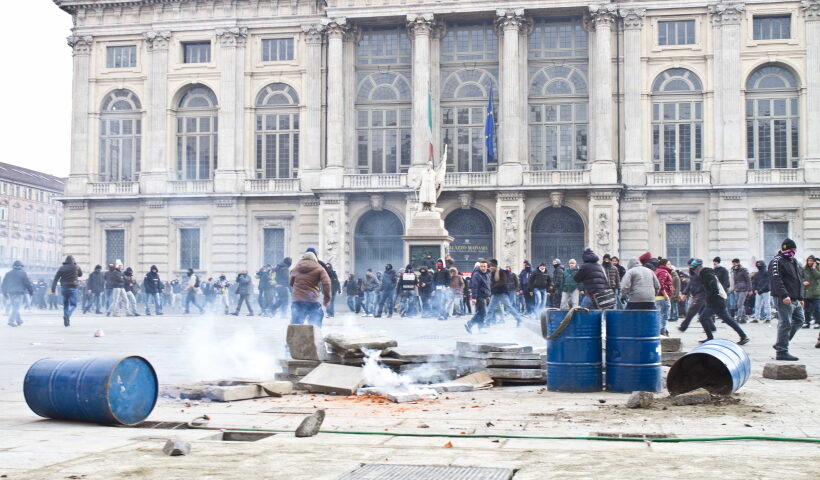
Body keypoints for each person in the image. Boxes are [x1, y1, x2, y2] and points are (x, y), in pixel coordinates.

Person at [693, 258, 750, 345]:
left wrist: (707, 297)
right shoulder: (705, 274)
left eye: (694, 269)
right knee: (728, 320)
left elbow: (714, 289)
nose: (694, 272)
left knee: (703, 318)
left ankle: (710, 338)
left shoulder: (707, 275)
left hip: (715, 302)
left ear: (698, 268)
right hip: (716, 301)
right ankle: (743, 336)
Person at [769, 239, 804, 360]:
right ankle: (782, 351)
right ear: (784, 250)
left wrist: (800, 297)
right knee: (786, 323)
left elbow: (798, 279)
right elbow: (776, 279)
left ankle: (780, 343)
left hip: (795, 297)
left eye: (793, 250)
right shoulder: (776, 261)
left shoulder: (793, 261)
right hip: (783, 297)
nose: (792, 252)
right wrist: (784, 295)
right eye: (790, 250)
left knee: (799, 320)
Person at [289, 251, 331, 326]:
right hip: (312, 300)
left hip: (297, 300)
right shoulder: (319, 268)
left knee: (296, 325)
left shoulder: (297, 267)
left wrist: (298, 290)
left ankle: (296, 337)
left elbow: (291, 282)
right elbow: (327, 283)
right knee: (315, 323)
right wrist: (327, 299)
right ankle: (314, 336)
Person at [486, 259, 523, 327]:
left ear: (495, 266)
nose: (491, 267)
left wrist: (493, 286)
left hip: (502, 293)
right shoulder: (491, 273)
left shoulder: (501, 272)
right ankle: (487, 323)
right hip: (495, 294)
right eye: (490, 266)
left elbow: (502, 282)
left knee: (509, 307)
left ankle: (519, 320)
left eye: (492, 266)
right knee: (490, 308)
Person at [50, 255, 83, 327]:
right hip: (73, 287)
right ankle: (67, 315)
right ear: (73, 261)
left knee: (66, 304)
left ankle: (66, 322)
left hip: (64, 288)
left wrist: (53, 289)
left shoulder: (61, 268)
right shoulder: (76, 267)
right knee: (73, 304)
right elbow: (80, 274)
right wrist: (75, 265)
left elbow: (56, 279)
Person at [3, 260, 34, 327]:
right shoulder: (23, 273)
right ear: (20, 266)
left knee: (15, 306)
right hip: (19, 292)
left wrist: (4, 293)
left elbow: (4, 284)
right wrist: (31, 291)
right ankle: (11, 321)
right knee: (16, 307)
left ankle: (19, 320)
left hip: (11, 292)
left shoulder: (8, 273)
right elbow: (27, 283)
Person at [465, 260, 491, 333]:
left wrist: (488, 295)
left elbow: (487, 286)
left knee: (481, 312)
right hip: (479, 296)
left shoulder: (487, 274)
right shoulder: (477, 274)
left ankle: (479, 327)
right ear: (479, 267)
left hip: (484, 295)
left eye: (484, 266)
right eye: (481, 266)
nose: (483, 268)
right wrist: (474, 298)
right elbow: (475, 287)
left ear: (487, 267)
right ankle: (470, 324)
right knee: (483, 312)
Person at [655, 258, 674, 335]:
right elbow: (660, 284)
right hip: (663, 297)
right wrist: (665, 294)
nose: (670, 265)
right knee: (664, 315)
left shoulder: (657, 271)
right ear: (664, 265)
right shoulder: (664, 272)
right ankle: (662, 331)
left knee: (660, 315)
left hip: (657, 297)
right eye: (669, 264)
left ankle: (664, 330)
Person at [731, 259, 752, 324]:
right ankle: (743, 318)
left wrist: (750, 289)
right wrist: (734, 288)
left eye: (735, 263)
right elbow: (734, 280)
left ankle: (738, 317)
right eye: (733, 264)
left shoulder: (744, 270)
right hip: (737, 289)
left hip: (743, 289)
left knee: (739, 304)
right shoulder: (734, 270)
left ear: (738, 263)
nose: (734, 265)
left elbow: (748, 280)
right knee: (739, 304)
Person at [802, 256, 820, 328]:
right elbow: (800, 277)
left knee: (817, 309)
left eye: (811, 261)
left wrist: (813, 268)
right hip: (806, 292)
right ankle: (807, 322)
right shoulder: (804, 269)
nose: (810, 262)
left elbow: (818, 276)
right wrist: (803, 282)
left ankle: (818, 323)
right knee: (806, 309)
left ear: (814, 261)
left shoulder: (818, 268)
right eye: (808, 260)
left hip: (816, 293)